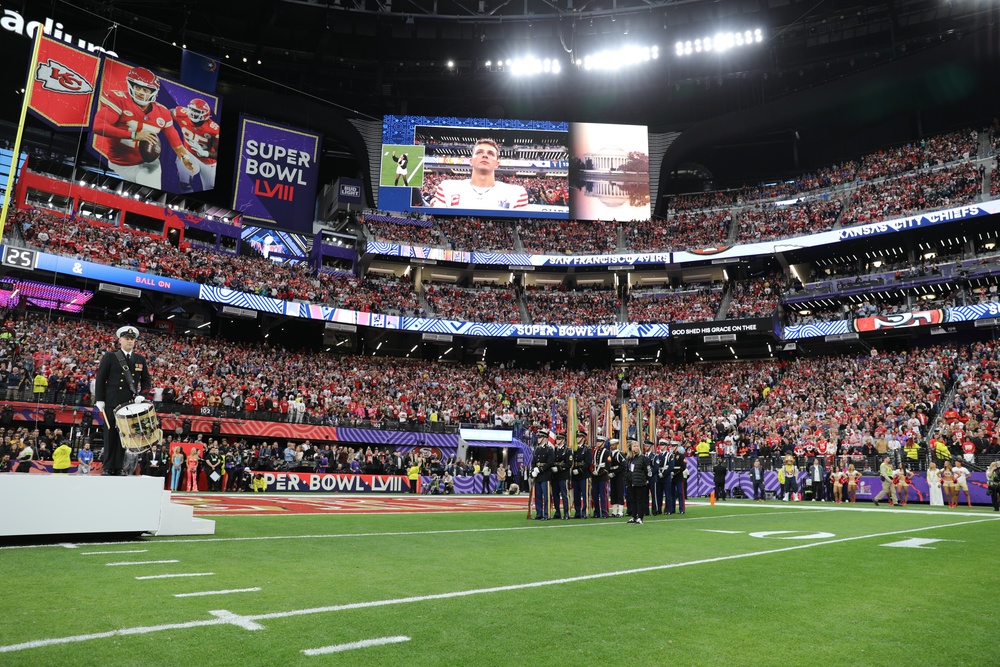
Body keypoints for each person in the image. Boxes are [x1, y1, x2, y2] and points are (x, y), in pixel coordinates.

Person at [91, 67, 194, 188]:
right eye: (137, 87)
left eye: (145, 89)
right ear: (131, 86)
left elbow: (176, 142)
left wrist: (185, 158)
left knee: (148, 191)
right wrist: (134, 135)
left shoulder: (163, 112)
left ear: (153, 92)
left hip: (147, 164)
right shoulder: (119, 100)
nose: (141, 92)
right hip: (117, 163)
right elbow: (98, 127)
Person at [94, 326, 152, 476]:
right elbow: (101, 379)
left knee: (124, 436)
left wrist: (142, 395)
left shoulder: (140, 359)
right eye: (127, 338)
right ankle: (107, 466)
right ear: (120, 340)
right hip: (111, 402)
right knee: (110, 435)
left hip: (129, 404)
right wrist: (99, 399)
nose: (130, 341)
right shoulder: (110, 357)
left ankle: (119, 466)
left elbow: (146, 380)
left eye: (132, 339)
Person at [430, 138, 528, 210]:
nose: (485, 155)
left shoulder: (516, 193)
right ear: (471, 161)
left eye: (490, 153)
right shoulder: (447, 188)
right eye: (479, 152)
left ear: (497, 164)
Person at [172, 98, 219, 192]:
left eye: (197, 111)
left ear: (205, 115)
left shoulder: (213, 130)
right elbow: (166, 114)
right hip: (190, 153)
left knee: (210, 189)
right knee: (184, 180)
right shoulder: (181, 113)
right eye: (192, 109)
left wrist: (205, 153)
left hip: (208, 162)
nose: (193, 113)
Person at [626, 441, 650, 524]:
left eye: (637, 446)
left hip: (640, 482)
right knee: (632, 500)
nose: (635, 448)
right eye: (634, 446)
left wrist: (645, 480)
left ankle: (640, 517)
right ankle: (634, 516)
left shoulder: (642, 458)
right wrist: (628, 480)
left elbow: (648, 470)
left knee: (640, 500)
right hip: (631, 483)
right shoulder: (629, 459)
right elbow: (626, 471)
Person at [532, 434, 555, 520]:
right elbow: (533, 461)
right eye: (538, 437)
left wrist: (540, 469)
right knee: (538, 496)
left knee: (546, 496)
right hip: (537, 476)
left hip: (545, 475)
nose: (538, 439)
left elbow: (550, 463)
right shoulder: (537, 449)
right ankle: (539, 513)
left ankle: (546, 514)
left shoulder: (549, 449)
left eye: (540, 438)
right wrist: (533, 470)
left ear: (545, 439)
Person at [551, 436, 571, 519]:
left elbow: (569, 463)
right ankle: (557, 512)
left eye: (559, 439)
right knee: (555, 495)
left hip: (563, 475)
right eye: (557, 439)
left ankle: (566, 513)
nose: (557, 440)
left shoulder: (567, 450)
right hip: (555, 476)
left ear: (563, 440)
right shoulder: (554, 450)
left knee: (564, 495)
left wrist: (558, 468)